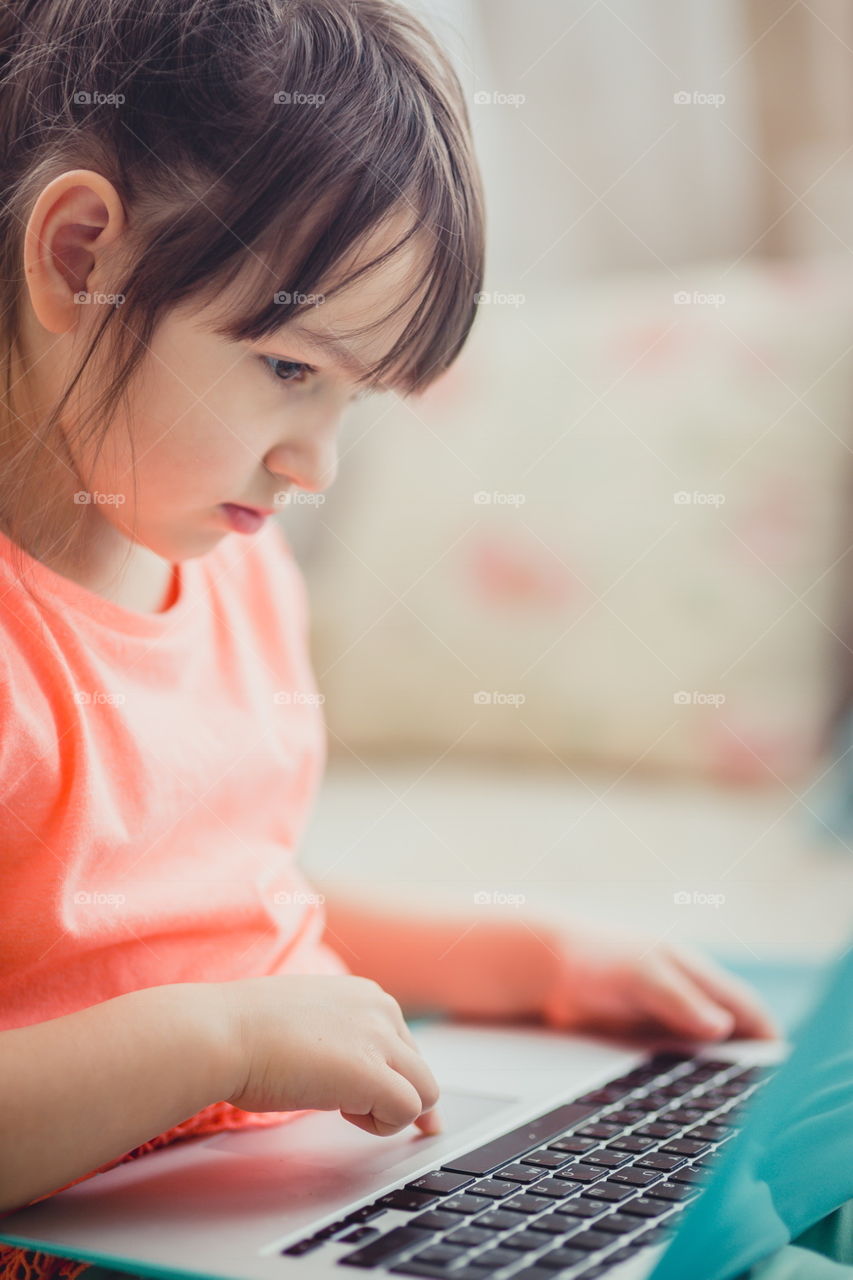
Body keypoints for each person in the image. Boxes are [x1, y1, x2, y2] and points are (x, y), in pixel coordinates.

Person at [0, 1, 776, 1276]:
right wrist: (226, 1043)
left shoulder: (229, 563)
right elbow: (217, 997)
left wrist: (526, 957)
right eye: (292, 370)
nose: (316, 466)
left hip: (303, 1210)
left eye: (353, 397)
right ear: (83, 257)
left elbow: (234, 908)